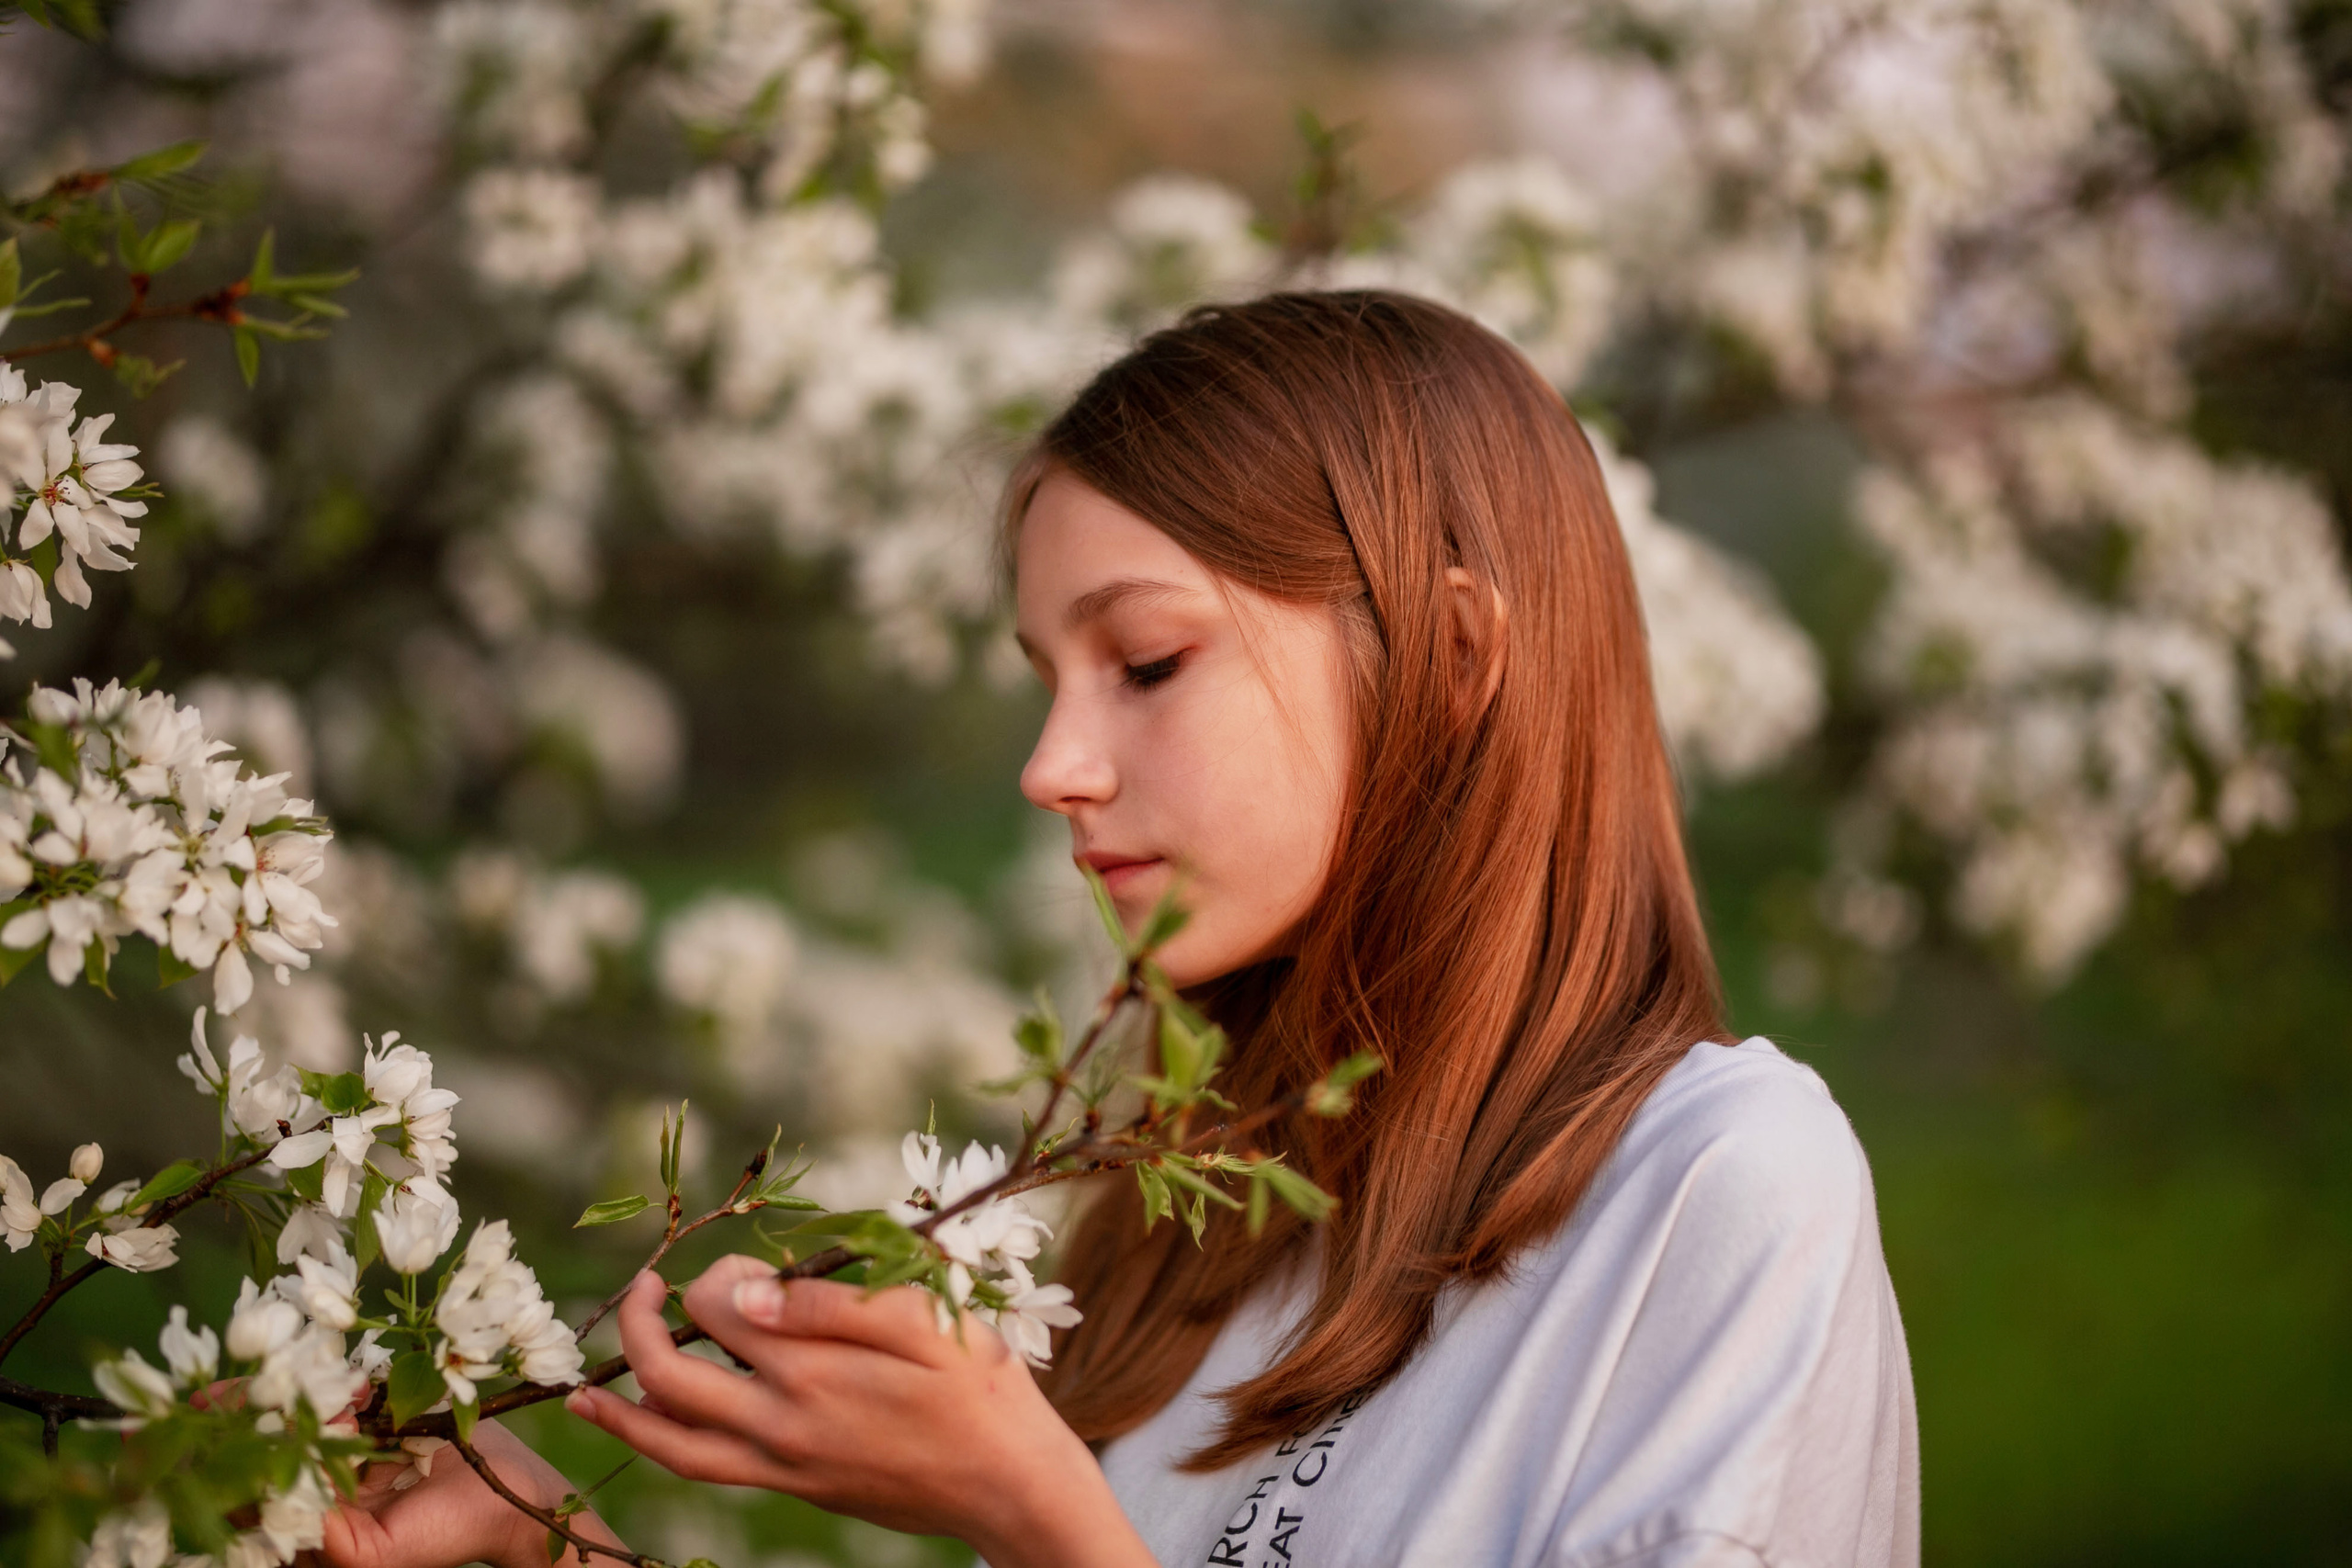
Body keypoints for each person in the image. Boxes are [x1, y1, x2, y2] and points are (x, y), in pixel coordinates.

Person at [320, 291, 1918, 1568]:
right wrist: (551, 1553)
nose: (1051, 768)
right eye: (1048, 681)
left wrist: (1039, 1521)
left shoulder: (1717, 1193)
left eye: (1147, 663)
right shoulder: (1177, 1244)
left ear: (1446, 657)